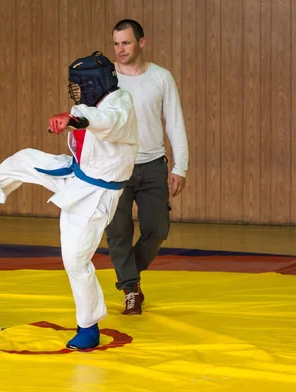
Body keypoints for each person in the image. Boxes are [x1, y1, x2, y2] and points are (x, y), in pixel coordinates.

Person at [0, 52, 138, 349]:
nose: (76, 91)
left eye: (80, 85)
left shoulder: (120, 104)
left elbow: (107, 121)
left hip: (96, 194)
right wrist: (73, 116)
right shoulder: (84, 106)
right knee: (26, 158)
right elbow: (86, 122)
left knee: (76, 261)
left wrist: (73, 118)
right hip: (77, 172)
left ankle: (89, 327)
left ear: (95, 82)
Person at [106, 19, 189, 315]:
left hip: (153, 164)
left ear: (142, 43)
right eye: (116, 43)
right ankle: (130, 288)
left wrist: (181, 167)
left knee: (158, 229)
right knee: (118, 231)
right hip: (116, 167)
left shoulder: (161, 77)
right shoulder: (106, 78)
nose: (120, 49)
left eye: (126, 43)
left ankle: (129, 271)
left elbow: (175, 123)